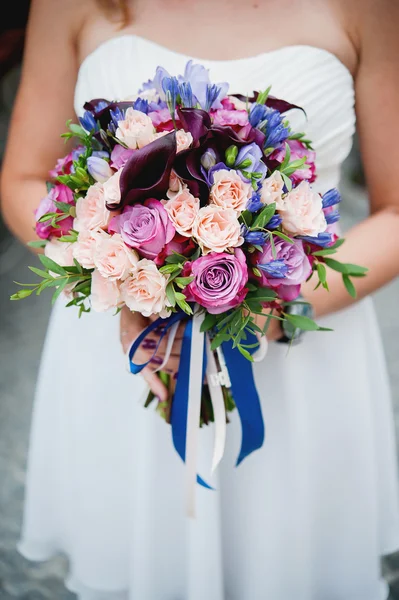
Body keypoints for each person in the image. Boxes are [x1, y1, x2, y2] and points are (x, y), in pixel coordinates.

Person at [2, 0, 399, 598]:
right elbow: (24, 178)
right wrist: (123, 279)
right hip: (131, 344)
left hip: (301, 354)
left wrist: (268, 308)